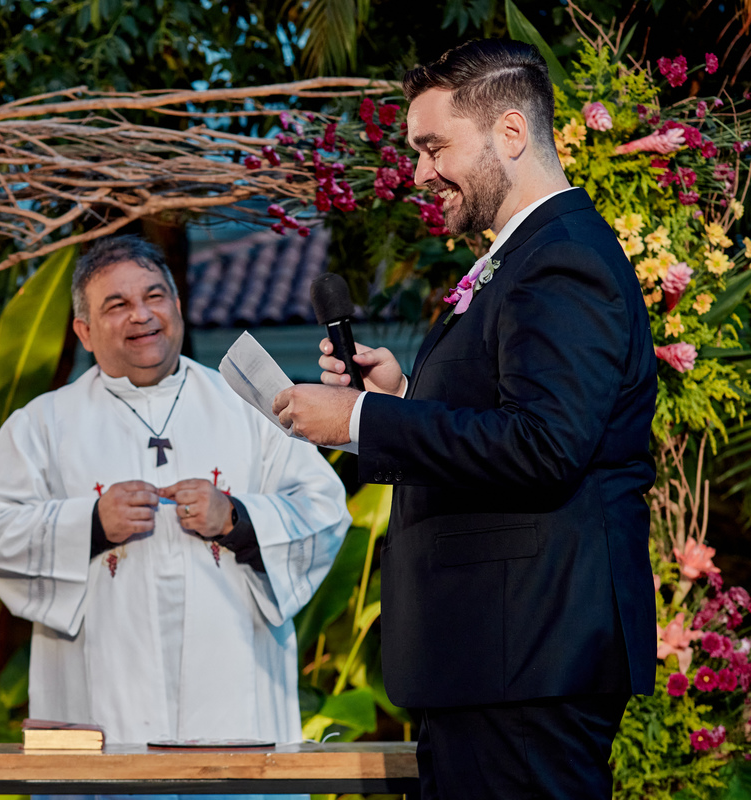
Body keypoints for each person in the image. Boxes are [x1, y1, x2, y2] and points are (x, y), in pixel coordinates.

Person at [272, 40, 657, 799]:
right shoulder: (523, 257)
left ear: (510, 134)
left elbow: (547, 446)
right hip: (499, 659)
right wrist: (405, 395)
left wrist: (361, 420)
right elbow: (516, 416)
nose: (419, 172)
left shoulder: (560, 260)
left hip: (527, 658)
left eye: (433, 146)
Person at [0, 236, 349, 777]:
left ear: (178, 306)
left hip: (233, 692)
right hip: (98, 702)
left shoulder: (250, 409)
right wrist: (90, 525)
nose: (141, 315)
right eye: (116, 305)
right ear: (84, 332)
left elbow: (325, 510)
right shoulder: (43, 424)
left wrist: (235, 518)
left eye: (154, 296)